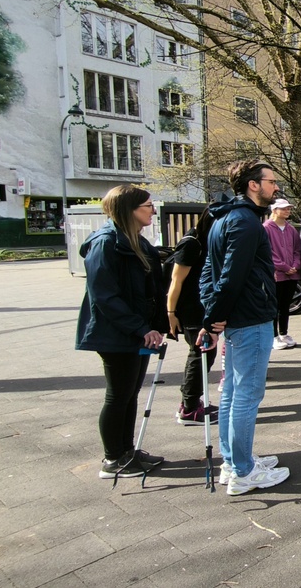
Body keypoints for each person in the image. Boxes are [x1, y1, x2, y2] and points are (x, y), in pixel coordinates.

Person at [199, 159, 290, 496]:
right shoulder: (246, 222)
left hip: (239, 318)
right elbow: (229, 275)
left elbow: (208, 272)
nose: (275, 187)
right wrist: (214, 316)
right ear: (254, 184)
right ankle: (243, 471)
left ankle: (233, 461)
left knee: (233, 393)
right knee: (246, 395)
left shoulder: (225, 217)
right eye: (271, 181)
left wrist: (212, 315)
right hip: (251, 319)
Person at [75, 185, 167, 480]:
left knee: (130, 393)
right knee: (118, 395)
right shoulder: (105, 243)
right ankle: (113, 458)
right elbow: (104, 296)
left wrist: (155, 325)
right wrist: (140, 328)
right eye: (148, 206)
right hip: (117, 333)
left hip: (138, 332)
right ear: (129, 210)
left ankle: (128, 451)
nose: (153, 211)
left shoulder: (136, 240)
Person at [166, 206, 219, 426]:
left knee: (203, 354)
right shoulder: (192, 243)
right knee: (200, 355)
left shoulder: (205, 241)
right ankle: (189, 408)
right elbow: (176, 280)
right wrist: (170, 312)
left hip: (201, 306)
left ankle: (191, 402)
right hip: (191, 309)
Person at [264, 198, 301, 350]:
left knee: (286, 305)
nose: (287, 211)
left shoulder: (291, 229)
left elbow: (297, 250)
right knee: (274, 306)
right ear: (274, 210)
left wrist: (295, 265)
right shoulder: (266, 228)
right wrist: (284, 266)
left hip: (291, 275)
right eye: (284, 208)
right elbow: (267, 252)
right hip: (276, 275)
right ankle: (273, 336)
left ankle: (284, 333)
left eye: (288, 208)